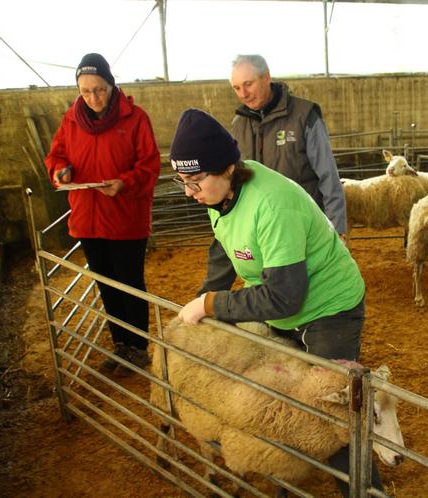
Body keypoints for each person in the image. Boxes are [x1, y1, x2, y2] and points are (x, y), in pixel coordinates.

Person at [169, 108, 382, 496]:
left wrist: (213, 305)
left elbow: (284, 296)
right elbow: (223, 246)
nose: (189, 192)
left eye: (195, 181)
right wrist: (203, 297)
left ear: (228, 168)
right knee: (279, 403)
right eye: (182, 181)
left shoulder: (271, 204)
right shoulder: (220, 198)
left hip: (327, 308)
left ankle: (363, 490)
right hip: (281, 304)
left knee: (331, 411)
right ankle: (285, 482)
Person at [45, 53, 160, 375]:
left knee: (129, 283)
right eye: (85, 91)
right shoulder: (70, 121)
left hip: (125, 218)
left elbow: (149, 165)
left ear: (111, 86)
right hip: (87, 218)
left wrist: (124, 183)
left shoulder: (135, 119)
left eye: (99, 89)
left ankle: (138, 347)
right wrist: (60, 171)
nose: (93, 97)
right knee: (106, 283)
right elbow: (55, 156)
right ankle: (120, 344)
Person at [229, 54, 348, 240]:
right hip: (262, 229)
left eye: (248, 84)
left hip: (305, 226)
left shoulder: (304, 115)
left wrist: (336, 228)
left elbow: (328, 175)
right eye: (237, 88)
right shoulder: (239, 125)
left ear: (266, 77)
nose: (243, 94)